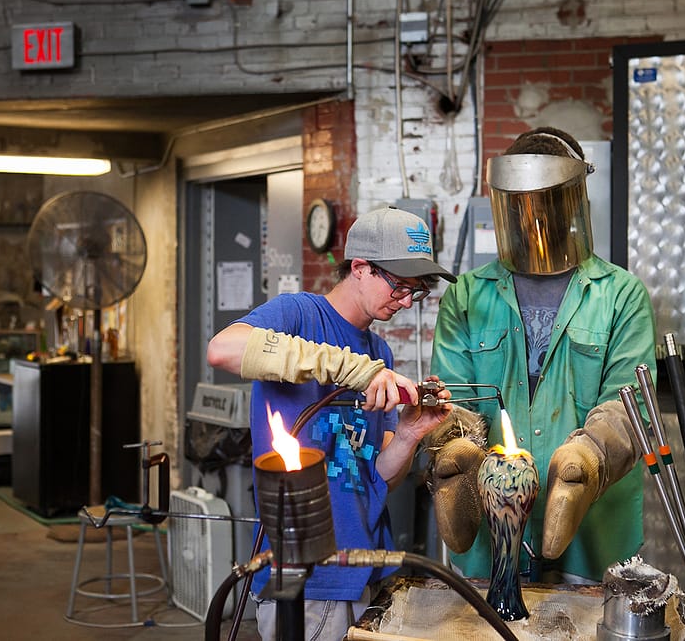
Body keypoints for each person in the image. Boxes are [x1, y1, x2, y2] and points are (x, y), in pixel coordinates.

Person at [206, 206, 456, 641]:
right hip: (309, 578)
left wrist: (412, 433)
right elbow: (222, 349)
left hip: (365, 565)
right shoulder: (298, 316)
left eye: (416, 292)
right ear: (359, 267)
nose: (404, 301)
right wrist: (347, 367)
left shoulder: (381, 352)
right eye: (399, 286)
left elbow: (373, 477)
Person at [428, 127, 657, 584]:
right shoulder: (467, 296)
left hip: (592, 545)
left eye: (544, 202)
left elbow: (630, 406)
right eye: (519, 204)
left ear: (571, 202)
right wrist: (455, 448)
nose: (532, 218)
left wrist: (587, 460)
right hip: (491, 544)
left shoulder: (621, 295)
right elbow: (452, 398)